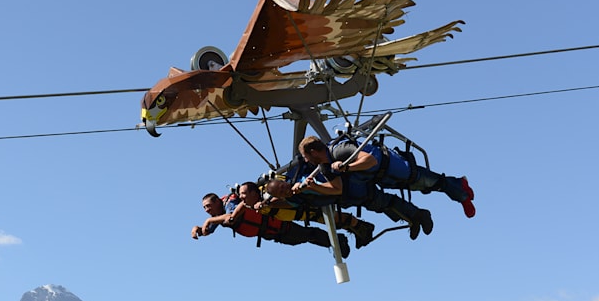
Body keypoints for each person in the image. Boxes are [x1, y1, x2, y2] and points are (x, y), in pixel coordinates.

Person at [278, 136, 437, 241]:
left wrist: (312, 186)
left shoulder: (306, 175)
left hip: (355, 185)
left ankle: (419, 214)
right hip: (351, 194)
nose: (307, 160)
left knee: (386, 200)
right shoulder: (298, 192)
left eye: (307, 156)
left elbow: (333, 186)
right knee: (384, 205)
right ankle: (413, 218)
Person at [324, 120, 476, 219]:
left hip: (396, 168)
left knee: (431, 181)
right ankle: (460, 185)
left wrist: (347, 167)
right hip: (386, 177)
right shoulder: (330, 165)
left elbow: (370, 160)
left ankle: (461, 192)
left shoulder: (339, 151)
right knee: (426, 185)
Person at [191, 185, 350, 258]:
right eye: (204, 208)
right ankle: (336, 241)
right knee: (305, 238)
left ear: (218, 201)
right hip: (271, 232)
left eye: (208, 206)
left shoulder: (230, 204)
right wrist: (198, 228)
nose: (207, 210)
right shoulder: (217, 214)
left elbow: (230, 218)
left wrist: (208, 220)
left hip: (277, 224)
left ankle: (339, 241)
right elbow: (208, 229)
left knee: (309, 234)